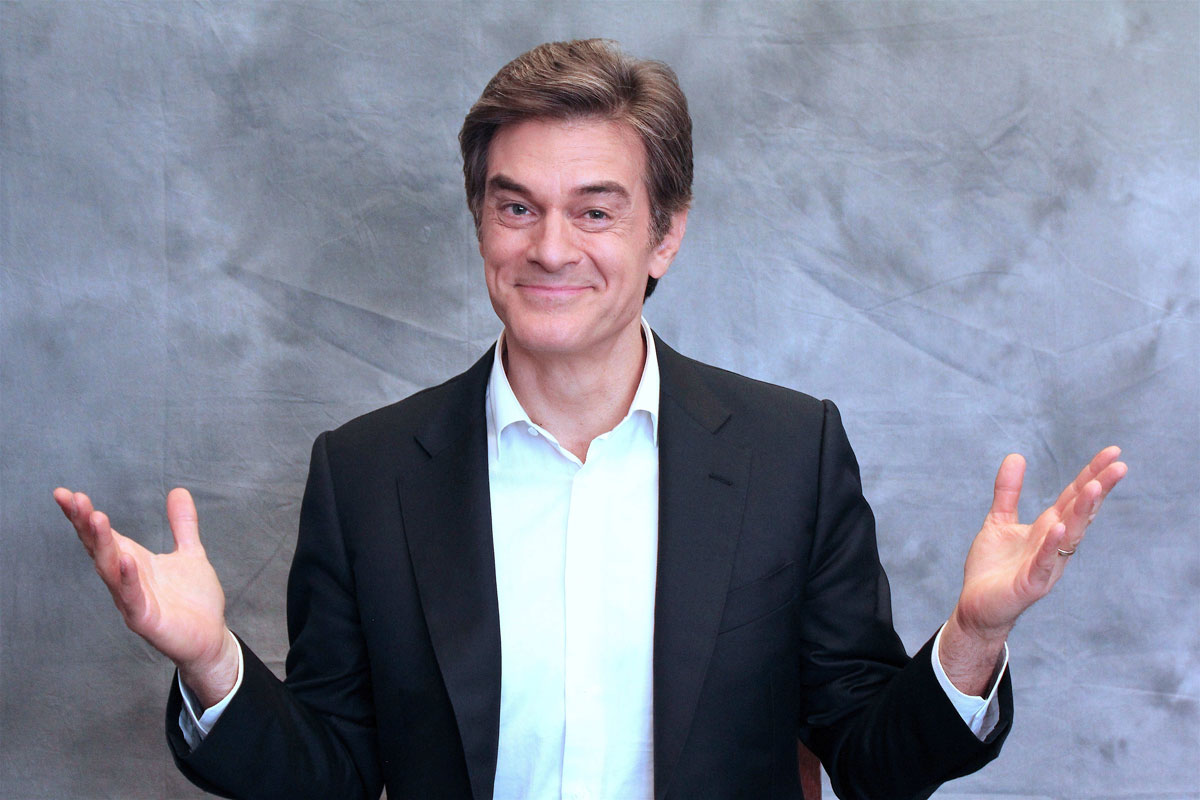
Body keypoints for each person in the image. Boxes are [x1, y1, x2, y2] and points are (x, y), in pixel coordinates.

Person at [55, 39, 1126, 800]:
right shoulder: (367, 472)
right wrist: (214, 663)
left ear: (666, 234)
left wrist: (974, 637)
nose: (551, 247)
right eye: (516, 205)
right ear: (480, 221)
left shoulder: (789, 455)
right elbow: (328, 771)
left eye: (596, 210)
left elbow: (872, 757)